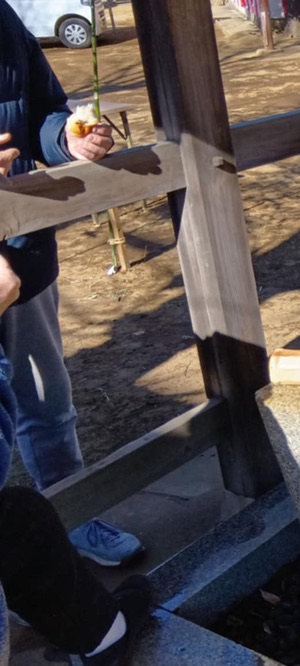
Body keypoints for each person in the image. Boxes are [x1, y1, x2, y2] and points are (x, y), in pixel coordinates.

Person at [0, 0, 143, 566]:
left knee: (47, 403)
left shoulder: (5, 20)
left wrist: (69, 141)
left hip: (22, 248)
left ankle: (74, 516)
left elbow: (43, 112)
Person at [0, 255, 153, 666]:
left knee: (20, 513)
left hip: (20, 254)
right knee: (21, 519)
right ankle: (101, 634)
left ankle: (69, 605)